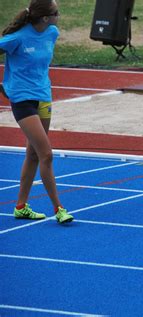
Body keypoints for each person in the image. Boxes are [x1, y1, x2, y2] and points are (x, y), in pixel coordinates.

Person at [0, 0, 73, 223]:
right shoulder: (17, 38)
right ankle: (59, 208)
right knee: (46, 154)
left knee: (33, 153)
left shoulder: (52, 33)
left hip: (43, 97)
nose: (59, 16)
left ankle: (21, 206)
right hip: (22, 99)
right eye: (56, 13)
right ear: (45, 17)